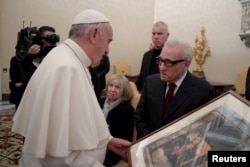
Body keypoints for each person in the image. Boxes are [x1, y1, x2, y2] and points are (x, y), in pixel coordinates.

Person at [12, 9, 131, 167]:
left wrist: (107, 141)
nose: (108, 50)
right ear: (94, 34)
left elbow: (78, 120)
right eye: (108, 41)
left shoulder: (68, 58)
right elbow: (59, 157)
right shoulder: (66, 68)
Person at [134, 39, 215, 139]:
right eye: (160, 60)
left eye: (168, 62)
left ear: (186, 64)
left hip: (181, 150)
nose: (162, 67)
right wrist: (150, 141)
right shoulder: (150, 82)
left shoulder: (203, 90)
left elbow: (202, 128)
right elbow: (140, 115)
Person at [9, 26, 58, 110]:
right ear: (40, 40)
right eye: (48, 39)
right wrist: (35, 61)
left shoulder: (56, 56)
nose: (51, 42)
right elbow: (25, 84)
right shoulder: (22, 59)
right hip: (28, 102)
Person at [99, 74, 134, 166]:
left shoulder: (127, 110)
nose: (113, 89)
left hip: (112, 150)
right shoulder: (101, 101)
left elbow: (126, 138)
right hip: (97, 142)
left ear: (124, 91)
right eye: (111, 85)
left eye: (117, 87)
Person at [135, 21, 170, 92]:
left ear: (167, 35)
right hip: (146, 96)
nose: (156, 37)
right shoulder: (146, 55)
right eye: (153, 34)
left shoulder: (172, 55)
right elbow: (141, 79)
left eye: (159, 34)